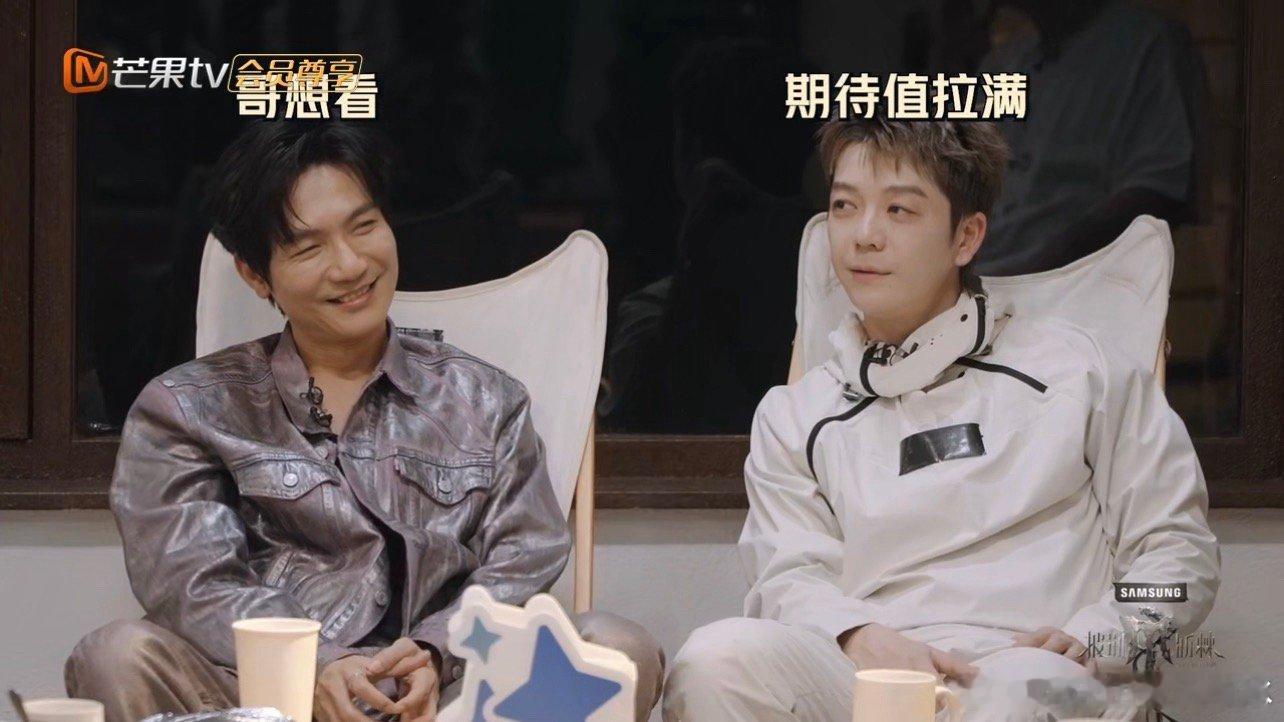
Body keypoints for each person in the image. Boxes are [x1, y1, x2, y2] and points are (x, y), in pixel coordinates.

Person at [64, 120, 664, 722]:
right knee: (117, 654)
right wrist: (316, 663)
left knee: (616, 649)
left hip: (445, 694)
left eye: (364, 226)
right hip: (270, 695)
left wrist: (435, 651)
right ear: (254, 273)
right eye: (309, 248)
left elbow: (525, 554)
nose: (350, 265)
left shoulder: (488, 399)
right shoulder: (187, 409)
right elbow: (194, 583)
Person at [662, 117, 1219, 721]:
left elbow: (1178, 549)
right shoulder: (795, 414)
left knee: (1020, 697)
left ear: (965, 237)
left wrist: (1102, 634)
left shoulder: (1080, 370)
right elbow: (786, 576)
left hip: (1031, 667)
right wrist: (856, 635)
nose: (864, 236)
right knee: (716, 660)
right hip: (868, 670)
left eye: (898, 210)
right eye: (844, 206)